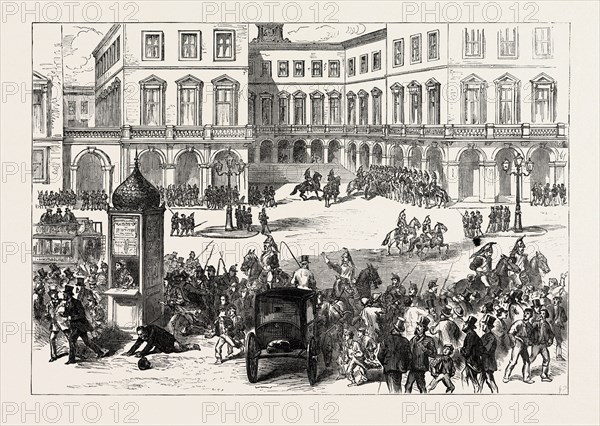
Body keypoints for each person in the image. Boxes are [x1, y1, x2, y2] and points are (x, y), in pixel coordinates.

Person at [62, 285, 108, 364]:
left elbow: (82, 315)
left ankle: (71, 359)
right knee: (87, 342)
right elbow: (67, 313)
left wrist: (71, 317)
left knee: (71, 339)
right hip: (74, 326)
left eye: (65, 294)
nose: (63, 295)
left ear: (69, 294)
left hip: (80, 325)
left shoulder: (77, 302)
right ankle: (100, 352)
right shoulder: (66, 303)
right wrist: (64, 314)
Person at [377, 317, 411, 393]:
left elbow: (380, 355)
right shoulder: (405, 341)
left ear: (394, 328)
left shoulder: (386, 340)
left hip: (389, 368)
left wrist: (385, 363)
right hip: (399, 369)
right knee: (397, 388)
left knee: (392, 390)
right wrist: (403, 366)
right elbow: (409, 357)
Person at [124, 324, 200, 357]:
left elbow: (149, 345)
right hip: (160, 345)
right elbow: (137, 344)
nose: (140, 337)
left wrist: (142, 353)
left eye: (141, 334)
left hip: (169, 341)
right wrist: (130, 352)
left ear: (145, 331)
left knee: (180, 349)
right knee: (159, 350)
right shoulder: (142, 334)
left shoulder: (152, 330)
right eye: (139, 335)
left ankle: (191, 346)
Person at [503, 307, 535, 384]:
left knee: (527, 361)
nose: (525, 315)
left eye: (528, 314)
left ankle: (526, 378)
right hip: (518, 343)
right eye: (525, 313)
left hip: (524, 345)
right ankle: (506, 376)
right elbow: (510, 333)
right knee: (513, 361)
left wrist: (530, 342)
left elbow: (530, 337)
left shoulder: (530, 326)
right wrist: (514, 341)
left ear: (531, 315)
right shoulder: (519, 323)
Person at [405, 316, 437, 393]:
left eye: (420, 326)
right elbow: (408, 353)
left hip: (421, 368)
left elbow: (434, 354)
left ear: (424, 329)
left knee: (421, 386)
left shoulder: (429, 340)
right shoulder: (413, 340)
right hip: (413, 367)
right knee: (408, 386)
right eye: (418, 325)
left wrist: (424, 349)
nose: (418, 327)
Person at [530, 307, 555, 382]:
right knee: (531, 358)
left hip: (544, 345)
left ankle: (544, 375)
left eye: (543, 313)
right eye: (540, 313)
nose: (542, 315)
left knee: (547, 359)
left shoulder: (546, 324)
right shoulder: (535, 323)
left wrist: (550, 339)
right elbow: (531, 331)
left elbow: (551, 333)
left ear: (546, 315)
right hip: (536, 345)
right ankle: (526, 373)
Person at [45, 288, 69, 362]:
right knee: (52, 338)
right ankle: (53, 356)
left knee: (70, 338)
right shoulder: (49, 304)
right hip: (54, 324)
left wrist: (65, 316)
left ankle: (77, 354)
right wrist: (48, 317)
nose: (54, 296)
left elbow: (67, 312)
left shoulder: (63, 303)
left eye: (55, 294)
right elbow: (47, 313)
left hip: (63, 323)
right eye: (52, 294)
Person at [460, 315, 483, 392]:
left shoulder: (471, 336)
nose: (463, 325)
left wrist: (461, 350)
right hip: (472, 361)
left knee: (471, 380)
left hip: (472, 362)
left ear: (469, 326)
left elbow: (467, 352)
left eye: (465, 324)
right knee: (467, 376)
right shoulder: (471, 335)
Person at [479, 314, 499, 393]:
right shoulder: (484, 336)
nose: (482, 326)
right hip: (483, 362)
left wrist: (477, 349)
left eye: (483, 324)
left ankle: (496, 394)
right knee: (481, 381)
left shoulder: (491, 337)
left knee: (489, 380)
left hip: (488, 363)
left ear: (487, 326)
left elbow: (486, 349)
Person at [550, 296, 568, 361]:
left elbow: (565, 319)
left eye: (556, 299)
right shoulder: (549, 308)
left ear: (559, 301)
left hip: (557, 326)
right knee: (548, 340)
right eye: (554, 299)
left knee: (559, 341)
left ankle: (559, 356)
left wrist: (560, 319)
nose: (555, 301)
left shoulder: (561, 309)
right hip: (550, 326)